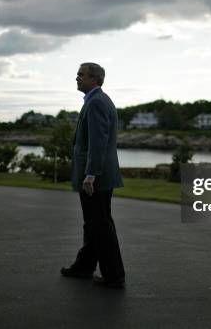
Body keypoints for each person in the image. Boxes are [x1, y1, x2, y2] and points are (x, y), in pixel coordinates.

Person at [61, 63, 126, 288]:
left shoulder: (97, 102)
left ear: (95, 79)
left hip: (96, 177)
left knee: (99, 225)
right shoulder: (97, 100)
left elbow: (98, 143)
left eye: (81, 75)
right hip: (99, 175)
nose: (76, 78)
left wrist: (90, 174)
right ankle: (84, 266)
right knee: (94, 224)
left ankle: (113, 275)